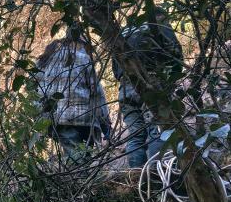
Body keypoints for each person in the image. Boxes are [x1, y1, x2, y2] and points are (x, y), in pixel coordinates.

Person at [113, 19, 184, 169]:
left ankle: (136, 180)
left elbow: (115, 69)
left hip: (125, 88)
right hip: (152, 83)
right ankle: (158, 178)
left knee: (135, 136)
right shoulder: (158, 25)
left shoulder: (121, 33)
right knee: (156, 131)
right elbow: (176, 56)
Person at [36, 27, 111, 157]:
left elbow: (35, 91)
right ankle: (83, 176)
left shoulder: (44, 60)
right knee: (80, 158)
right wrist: (106, 125)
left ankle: (80, 176)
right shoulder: (83, 58)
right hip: (83, 119)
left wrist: (39, 118)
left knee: (77, 158)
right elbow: (97, 94)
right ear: (80, 42)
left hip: (55, 119)